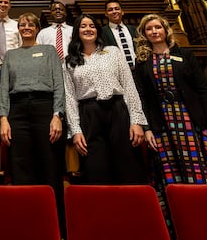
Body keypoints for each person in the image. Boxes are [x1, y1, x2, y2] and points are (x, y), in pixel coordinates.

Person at [133, 14, 207, 214]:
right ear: (144, 34)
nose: (154, 32)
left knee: (201, 168)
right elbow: (143, 98)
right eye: (149, 29)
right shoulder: (142, 62)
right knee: (171, 173)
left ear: (166, 30)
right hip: (162, 124)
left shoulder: (185, 55)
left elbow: (203, 92)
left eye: (158, 27)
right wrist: (147, 129)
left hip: (191, 119)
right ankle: (185, 213)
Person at [0, 13, 66, 238]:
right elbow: (4, 88)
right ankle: (25, 226)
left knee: (50, 164)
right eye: (22, 25)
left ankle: (54, 226)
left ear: (37, 28)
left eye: (30, 24)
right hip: (17, 112)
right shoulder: (11, 54)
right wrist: (4, 118)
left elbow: (59, 84)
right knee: (21, 166)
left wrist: (57, 114)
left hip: (44, 108)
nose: (26, 28)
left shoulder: (49, 51)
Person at [63, 14, 148, 184]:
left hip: (117, 111)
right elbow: (69, 98)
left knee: (127, 165)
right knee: (96, 169)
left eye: (92, 26)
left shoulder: (113, 52)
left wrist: (136, 121)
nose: (88, 29)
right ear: (77, 31)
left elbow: (129, 86)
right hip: (89, 114)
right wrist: (76, 130)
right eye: (83, 26)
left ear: (98, 30)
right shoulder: (69, 62)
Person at [100, 0, 138, 70]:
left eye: (117, 9)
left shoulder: (133, 30)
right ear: (106, 14)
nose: (114, 12)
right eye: (110, 10)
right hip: (117, 71)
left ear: (122, 12)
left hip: (137, 70)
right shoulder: (101, 32)